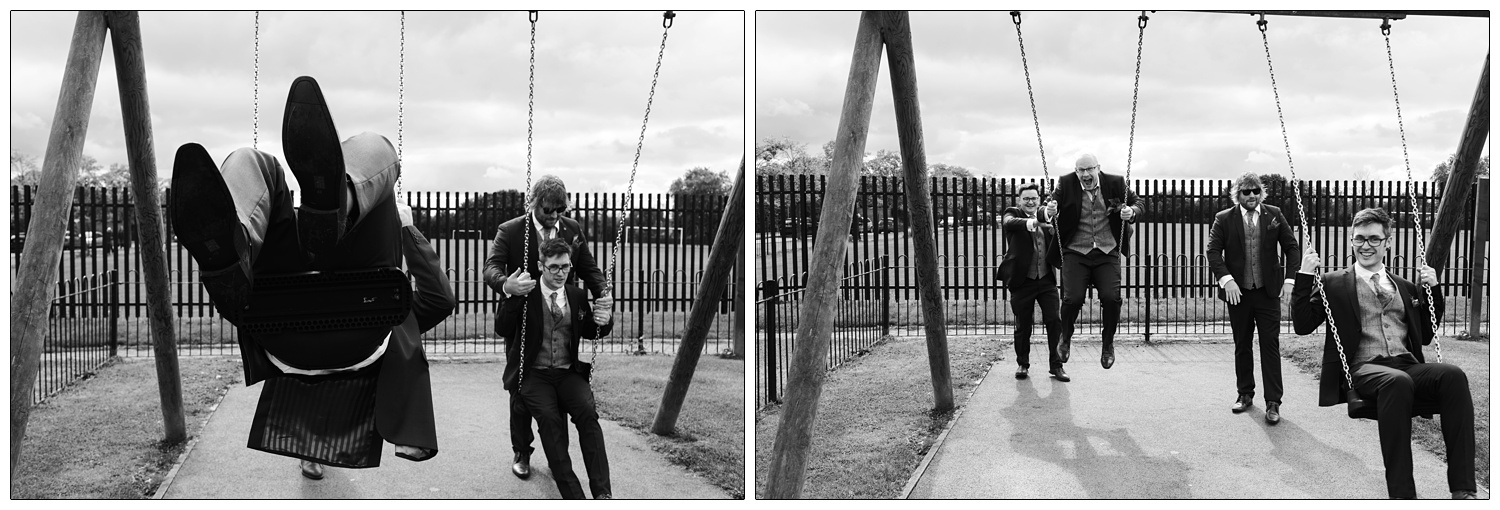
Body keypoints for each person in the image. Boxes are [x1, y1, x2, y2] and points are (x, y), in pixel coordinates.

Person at [169, 76, 455, 480]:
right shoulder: (401, 317)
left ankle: (238, 250)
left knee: (253, 160)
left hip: (279, 318)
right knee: (373, 148)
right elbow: (441, 299)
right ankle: (336, 203)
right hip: (353, 325)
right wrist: (407, 230)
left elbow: (441, 302)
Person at [1292, 207, 1475, 499]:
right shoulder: (1333, 283)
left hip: (1406, 363)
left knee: (1452, 375)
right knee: (1396, 382)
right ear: (1351, 241)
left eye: (1374, 239)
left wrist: (1434, 290)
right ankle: (1403, 496)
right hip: (1366, 369)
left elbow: (1426, 334)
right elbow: (1301, 325)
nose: (1366, 245)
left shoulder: (1404, 287)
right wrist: (1304, 273)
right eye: (1360, 239)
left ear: (1387, 243)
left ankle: (1463, 489)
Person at [482, 175, 611, 480]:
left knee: (559, 385)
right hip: (523, 321)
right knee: (520, 388)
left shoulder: (572, 229)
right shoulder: (512, 230)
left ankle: (558, 455)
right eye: (548, 210)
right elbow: (491, 268)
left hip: (560, 317)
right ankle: (522, 450)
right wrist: (507, 284)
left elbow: (589, 268)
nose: (554, 217)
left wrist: (604, 294)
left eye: (560, 210)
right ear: (534, 202)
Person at [497, 237, 615, 499]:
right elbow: (502, 329)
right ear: (541, 266)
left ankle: (603, 494)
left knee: (588, 415)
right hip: (534, 375)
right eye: (553, 267)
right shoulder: (525, 292)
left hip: (567, 372)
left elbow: (589, 330)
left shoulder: (576, 294)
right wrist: (510, 295)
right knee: (550, 423)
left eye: (565, 267)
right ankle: (574, 497)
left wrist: (603, 321)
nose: (561, 273)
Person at [1205, 172, 1299, 424]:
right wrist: (1228, 281)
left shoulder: (1274, 215)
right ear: (1238, 193)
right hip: (1239, 295)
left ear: (1261, 192)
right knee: (1242, 344)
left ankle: (1273, 402)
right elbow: (1213, 252)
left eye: (1256, 191)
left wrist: (1290, 281)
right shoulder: (1223, 219)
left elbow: (1291, 247)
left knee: (1270, 345)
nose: (1252, 196)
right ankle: (1245, 394)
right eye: (1246, 191)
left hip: (1268, 293)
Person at [1042, 153, 1143, 370]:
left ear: (1098, 168)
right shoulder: (1066, 182)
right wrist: (1049, 210)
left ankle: (1108, 344)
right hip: (1075, 251)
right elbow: (1048, 206)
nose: (1085, 174)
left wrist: (1130, 211)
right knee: (1072, 298)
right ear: (1076, 171)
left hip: (1107, 251)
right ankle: (1065, 338)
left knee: (1111, 297)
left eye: (1090, 169)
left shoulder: (1116, 183)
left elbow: (1138, 203)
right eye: (1081, 170)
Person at [997, 182, 1065, 381]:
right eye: (1026, 198)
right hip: (1022, 281)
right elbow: (1009, 223)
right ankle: (1022, 364)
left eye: (1033, 198)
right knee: (1023, 325)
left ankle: (1057, 366)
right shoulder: (1012, 213)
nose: (1030, 202)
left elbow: (1052, 218)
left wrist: (1050, 221)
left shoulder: (1046, 214)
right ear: (1019, 200)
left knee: (1055, 322)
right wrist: (1034, 223)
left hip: (1046, 279)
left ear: (1038, 200)